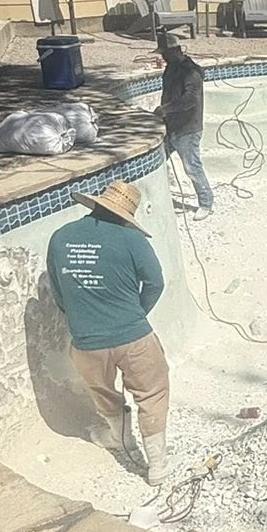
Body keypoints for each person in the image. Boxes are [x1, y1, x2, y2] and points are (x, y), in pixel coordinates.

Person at [46, 180, 172, 484]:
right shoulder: (133, 240)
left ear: (97, 204)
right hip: (133, 336)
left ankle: (122, 439)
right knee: (152, 392)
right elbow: (155, 283)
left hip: (86, 341)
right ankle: (156, 464)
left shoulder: (60, 238)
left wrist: (83, 319)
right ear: (126, 213)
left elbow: (58, 292)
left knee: (102, 391)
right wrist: (136, 315)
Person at [157, 31, 213, 213]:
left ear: (177, 51)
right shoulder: (170, 69)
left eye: (165, 54)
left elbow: (191, 100)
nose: (163, 57)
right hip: (171, 125)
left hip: (188, 128)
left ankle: (206, 203)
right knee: (156, 160)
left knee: (192, 167)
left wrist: (166, 109)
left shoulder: (191, 72)